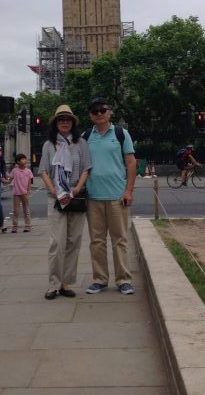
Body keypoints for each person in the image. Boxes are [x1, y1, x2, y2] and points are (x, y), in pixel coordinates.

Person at [84, 97, 137, 295]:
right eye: (95, 111)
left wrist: (129, 191)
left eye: (102, 110)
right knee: (96, 241)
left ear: (109, 112)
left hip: (117, 196)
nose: (99, 114)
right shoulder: (86, 136)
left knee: (120, 239)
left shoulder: (121, 134)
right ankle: (99, 279)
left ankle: (123, 279)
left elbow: (131, 163)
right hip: (93, 197)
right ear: (90, 115)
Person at [39, 105, 91, 300]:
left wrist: (76, 189)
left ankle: (66, 282)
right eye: (61, 119)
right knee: (57, 242)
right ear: (55, 123)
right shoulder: (49, 145)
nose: (65, 122)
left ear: (72, 123)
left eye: (68, 119)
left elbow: (86, 168)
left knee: (73, 241)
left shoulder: (81, 143)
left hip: (76, 196)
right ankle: (53, 283)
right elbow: (44, 170)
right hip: (56, 198)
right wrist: (54, 190)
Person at [8, 153, 33, 233]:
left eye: (25, 159)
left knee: (26, 210)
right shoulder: (14, 171)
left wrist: (28, 191)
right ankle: (15, 226)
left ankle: (27, 225)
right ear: (18, 162)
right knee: (15, 211)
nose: (25, 160)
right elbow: (9, 180)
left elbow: (29, 182)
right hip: (16, 194)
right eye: (22, 159)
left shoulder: (28, 171)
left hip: (25, 193)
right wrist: (4, 181)